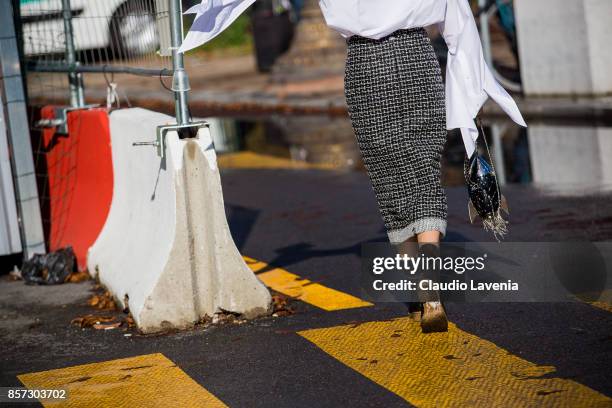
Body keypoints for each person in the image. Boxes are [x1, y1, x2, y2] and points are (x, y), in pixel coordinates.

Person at [179, 0, 527, 333]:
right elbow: (459, 24)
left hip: (366, 64)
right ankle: (430, 273)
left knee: (389, 178)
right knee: (423, 172)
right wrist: (470, 97)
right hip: (416, 58)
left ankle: (417, 285)